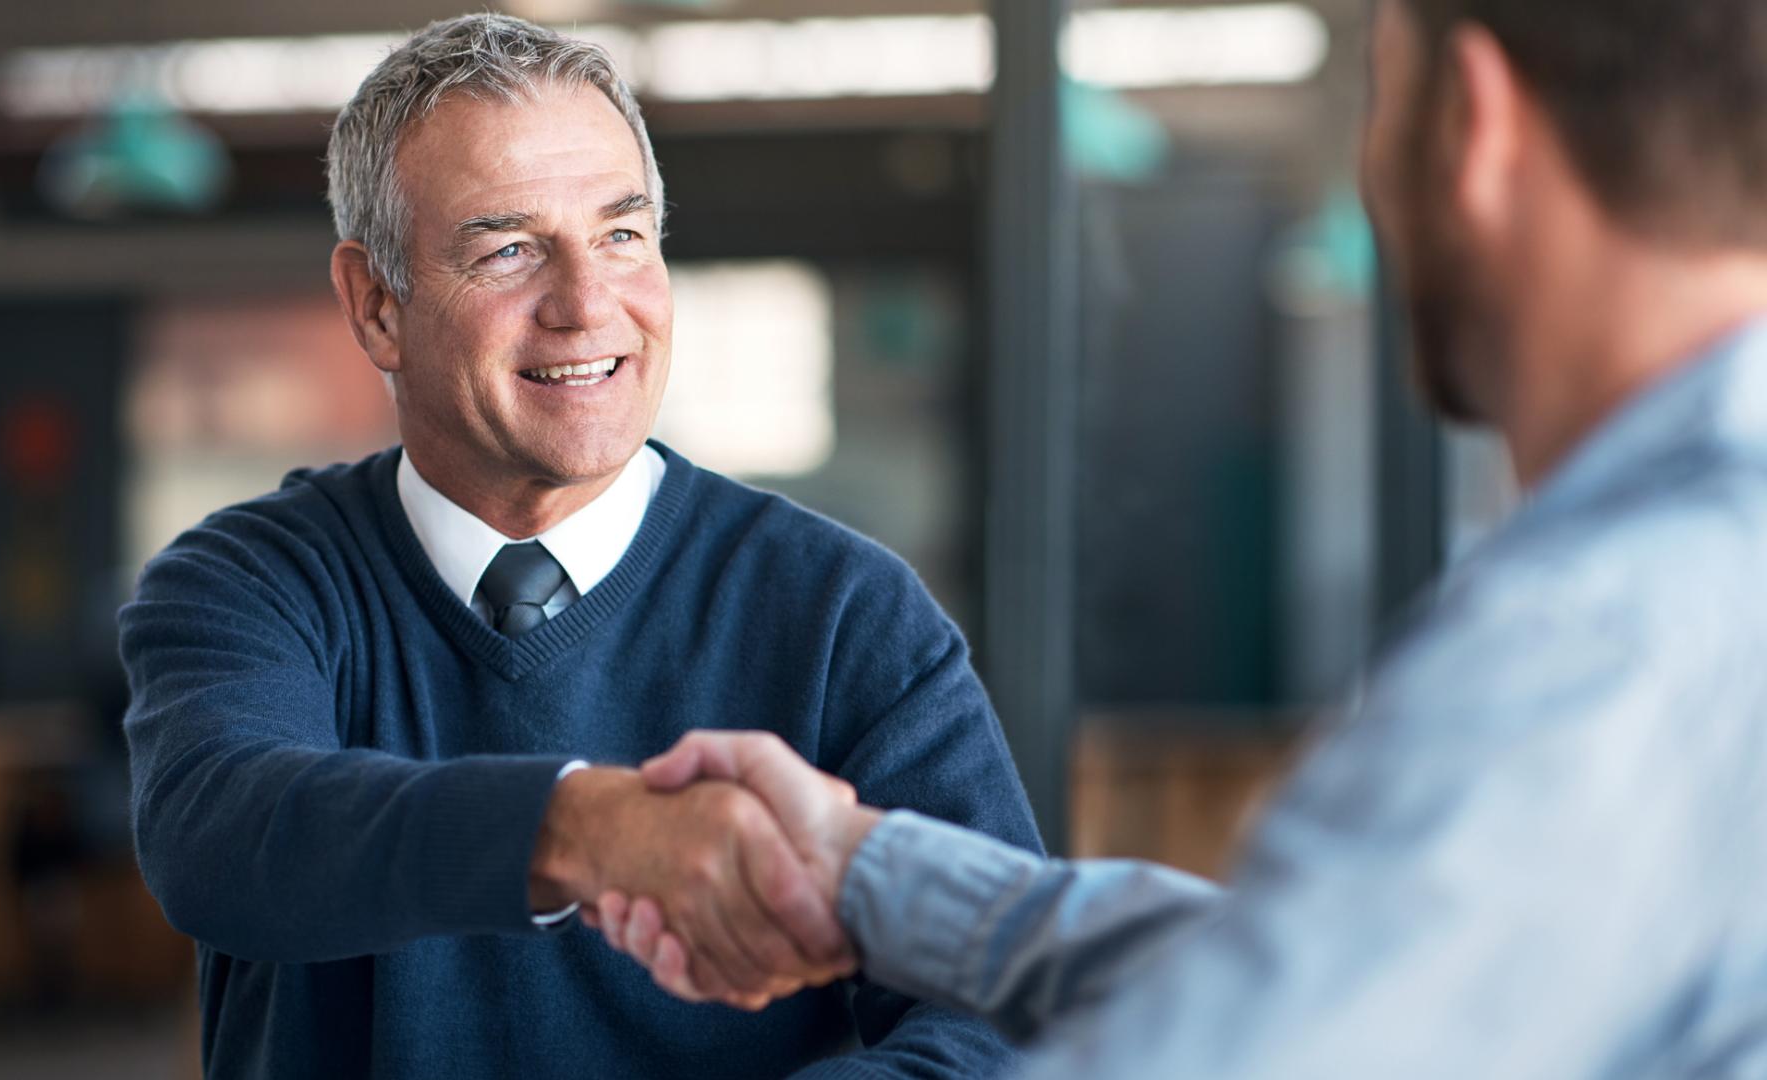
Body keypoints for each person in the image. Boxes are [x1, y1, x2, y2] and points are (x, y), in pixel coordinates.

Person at [597, 0, 1767, 1074]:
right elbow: (1320, 965)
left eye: (1379, 97)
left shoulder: (1602, 635)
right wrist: (866, 873)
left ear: (1472, 121)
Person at [117, 13, 1040, 1079]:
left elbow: (1002, 1011)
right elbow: (224, 833)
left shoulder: (843, 613)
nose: (587, 304)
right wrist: (581, 827)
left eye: (620, 234)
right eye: (508, 250)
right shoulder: (250, 584)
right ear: (375, 306)